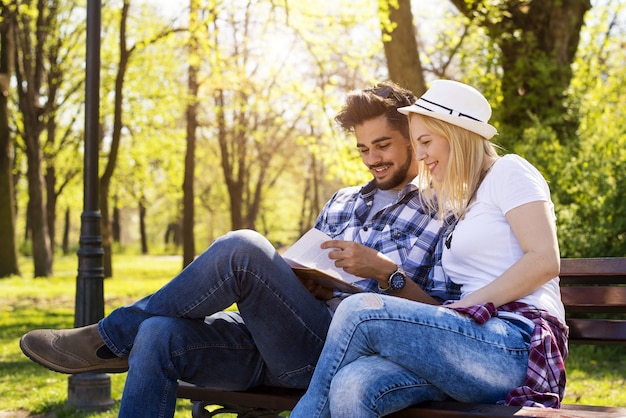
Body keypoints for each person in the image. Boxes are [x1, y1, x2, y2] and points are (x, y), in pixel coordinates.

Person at [20, 81, 459, 417]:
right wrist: (303, 278)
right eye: (363, 148)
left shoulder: (441, 211)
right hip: (272, 339)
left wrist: (383, 272)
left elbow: (445, 319)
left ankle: (108, 339)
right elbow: (307, 267)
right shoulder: (343, 200)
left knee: (242, 246)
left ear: (412, 139)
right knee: (157, 333)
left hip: (332, 356)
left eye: (382, 145)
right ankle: (123, 336)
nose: (371, 159)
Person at [290, 79, 568, 418]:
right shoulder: (461, 201)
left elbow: (544, 260)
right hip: (466, 344)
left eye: (425, 141)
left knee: (359, 310)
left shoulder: (509, 171)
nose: (420, 154)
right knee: (353, 382)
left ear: (456, 134)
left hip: (513, 341)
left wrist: (463, 307)